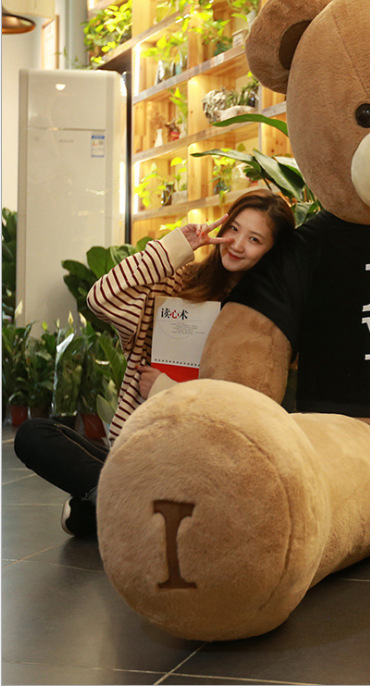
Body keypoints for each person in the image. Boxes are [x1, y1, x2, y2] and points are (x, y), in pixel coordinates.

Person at [14, 190, 295, 536]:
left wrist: (165, 389)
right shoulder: (182, 282)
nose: (236, 244)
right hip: (141, 450)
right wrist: (175, 247)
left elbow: (245, 410)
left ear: (272, 251)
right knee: (35, 435)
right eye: (234, 229)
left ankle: (108, 507)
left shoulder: (262, 318)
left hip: (196, 461)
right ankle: (131, 509)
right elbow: (101, 298)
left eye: (254, 239)